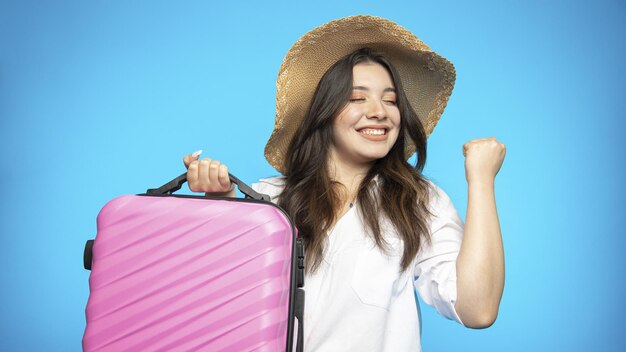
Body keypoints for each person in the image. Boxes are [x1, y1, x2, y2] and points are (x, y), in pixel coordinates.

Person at [183, 15, 505, 351]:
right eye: (357, 98)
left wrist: (480, 180)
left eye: (391, 100)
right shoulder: (268, 200)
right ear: (325, 111)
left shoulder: (420, 202)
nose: (380, 112)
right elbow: (222, 304)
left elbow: (478, 309)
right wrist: (224, 206)